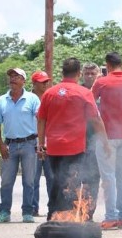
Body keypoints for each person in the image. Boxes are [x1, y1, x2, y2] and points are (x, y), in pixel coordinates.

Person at [37, 58, 110, 220]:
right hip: (74, 148)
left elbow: (41, 119)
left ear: (62, 73)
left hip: (54, 149)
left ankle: (53, 215)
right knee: (72, 184)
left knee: (58, 181)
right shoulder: (84, 93)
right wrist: (105, 143)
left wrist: (40, 144)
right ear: (78, 74)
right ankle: (68, 219)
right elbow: (96, 120)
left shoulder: (50, 93)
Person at [92, 52, 122, 230]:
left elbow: (90, 103)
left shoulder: (102, 82)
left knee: (108, 177)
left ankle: (111, 216)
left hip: (107, 135)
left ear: (108, 65)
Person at [0, 68, 40, 224]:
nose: (12, 79)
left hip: (29, 144)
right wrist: (0, 145)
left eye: (16, 77)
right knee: (6, 180)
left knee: (29, 180)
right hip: (10, 145)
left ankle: (28, 211)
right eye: (11, 77)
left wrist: (40, 143)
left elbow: (40, 120)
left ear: (23, 81)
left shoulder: (32, 99)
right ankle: (4, 211)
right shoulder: (1, 100)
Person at [80, 62, 102, 218]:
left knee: (93, 179)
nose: (89, 76)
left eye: (92, 73)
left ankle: (88, 213)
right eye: (86, 73)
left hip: (98, 142)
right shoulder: (78, 91)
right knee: (74, 179)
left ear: (99, 74)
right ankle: (75, 212)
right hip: (77, 141)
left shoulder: (104, 91)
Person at [30, 70, 53, 217]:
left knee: (52, 178)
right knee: (33, 178)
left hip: (50, 142)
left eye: (46, 81)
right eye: (42, 82)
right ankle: (33, 207)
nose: (45, 84)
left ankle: (54, 207)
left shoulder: (51, 97)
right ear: (34, 83)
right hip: (33, 141)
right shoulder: (29, 98)